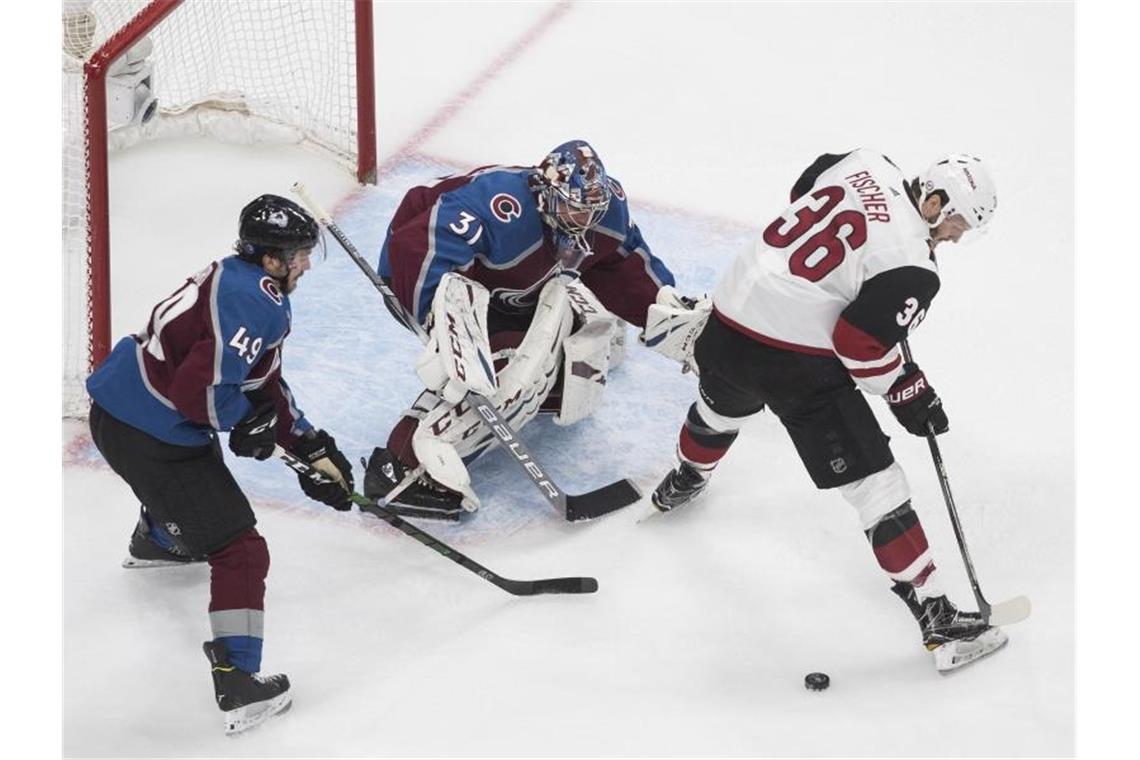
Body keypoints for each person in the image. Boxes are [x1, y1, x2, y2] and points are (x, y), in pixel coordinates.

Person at [640, 151, 1006, 672]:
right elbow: (857, 345)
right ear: (934, 199)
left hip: (727, 316)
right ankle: (937, 620)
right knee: (879, 488)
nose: (955, 236)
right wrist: (908, 391)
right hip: (792, 363)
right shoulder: (915, 269)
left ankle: (685, 477)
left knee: (720, 405)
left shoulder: (866, 161)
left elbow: (805, 187)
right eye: (956, 222)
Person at [85, 194, 356, 733]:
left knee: (197, 473)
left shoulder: (246, 282)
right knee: (242, 551)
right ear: (271, 258)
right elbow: (202, 397)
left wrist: (308, 443)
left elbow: (257, 383)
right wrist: (248, 427)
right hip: (150, 432)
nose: (305, 263)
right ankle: (237, 681)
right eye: (298, 254)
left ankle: (158, 539)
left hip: (129, 412)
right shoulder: (253, 300)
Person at [362, 139, 679, 519]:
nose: (585, 220)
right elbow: (419, 247)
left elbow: (623, 262)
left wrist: (666, 312)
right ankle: (400, 465)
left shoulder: (604, 209)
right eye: (573, 208)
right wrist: (443, 326)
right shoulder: (497, 204)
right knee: (497, 373)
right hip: (425, 274)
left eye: (590, 210)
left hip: (510, 287)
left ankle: (546, 386)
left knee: (577, 332)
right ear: (545, 192)